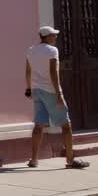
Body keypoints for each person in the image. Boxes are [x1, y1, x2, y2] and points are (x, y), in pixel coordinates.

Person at [26, 25, 89, 170]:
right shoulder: (52, 50)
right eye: (53, 35)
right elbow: (53, 72)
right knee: (66, 125)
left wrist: (29, 89)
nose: (55, 37)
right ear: (46, 36)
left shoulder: (31, 50)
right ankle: (69, 159)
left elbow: (28, 71)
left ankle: (34, 159)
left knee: (38, 125)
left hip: (36, 90)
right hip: (51, 91)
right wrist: (59, 94)